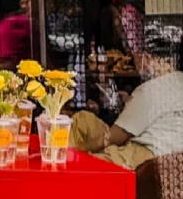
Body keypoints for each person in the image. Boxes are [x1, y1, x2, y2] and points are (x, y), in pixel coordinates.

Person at [71, 41, 183, 170]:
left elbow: (112, 138)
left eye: (135, 58)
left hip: (145, 154)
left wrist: (78, 152)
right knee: (83, 120)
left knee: (86, 166)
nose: (135, 65)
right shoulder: (178, 81)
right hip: (172, 157)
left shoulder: (150, 88)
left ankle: (64, 165)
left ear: (146, 57)